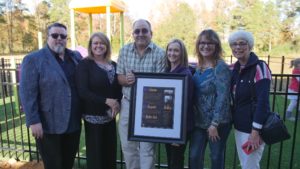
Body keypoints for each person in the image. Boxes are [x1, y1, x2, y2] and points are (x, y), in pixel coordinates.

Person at [19, 22, 82, 169]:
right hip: (48, 124)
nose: (59, 38)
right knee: (54, 165)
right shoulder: (33, 59)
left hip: (73, 123)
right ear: (48, 37)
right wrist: (33, 120)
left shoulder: (75, 57)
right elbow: (27, 92)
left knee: (68, 164)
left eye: (63, 36)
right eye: (55, 35)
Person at [117, 19, 165, 169]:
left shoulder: (160, 53)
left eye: (144, 30)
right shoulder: (124, 51)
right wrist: (127, 79)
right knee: (128, 146)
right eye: (137, 31)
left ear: (151, 33)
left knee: (147, 148)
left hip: (149, 106)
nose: (140, 34)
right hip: (128, 103)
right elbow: (119, 78)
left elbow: (161, 83)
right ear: (133, 33)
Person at [75, 32, 122, 169]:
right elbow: (83, 91)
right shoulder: (84, 65)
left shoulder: (113, 65)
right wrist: (106, 101)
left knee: (109, 153)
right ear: (90, 46)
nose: (98, 46)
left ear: (107, 46)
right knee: (96, 156)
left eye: (102, 43)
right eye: (95, 43)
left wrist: (117, 104)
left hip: (110, 117)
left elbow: (118, 89)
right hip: (93, 117)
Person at [229, 30, 272, 169]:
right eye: (234, 44)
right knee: (246, 164)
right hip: (240, 126)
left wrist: (255, 132)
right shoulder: (235, 69)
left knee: (250, 166)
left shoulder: (260, 67)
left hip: (253, 129)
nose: (238, 47)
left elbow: (263, 102)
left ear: (250, 45)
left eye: (242, 43)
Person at [189, 29, 232, 169]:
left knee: (216, 156)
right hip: (199, 122)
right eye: (202, 42)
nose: (205, 46)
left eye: (209, 43)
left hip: (218, 124)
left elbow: (223, 97)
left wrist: (214, 124)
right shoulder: (198, 67)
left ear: (216, 46)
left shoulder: (220, 67)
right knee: (194, 156)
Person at [164, 39, 194, 169]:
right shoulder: (166, 72)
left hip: (179, 127)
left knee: (176, 161)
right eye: (170, 50)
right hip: (168, 125)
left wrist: (177, 134)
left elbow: (184, 106)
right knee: (171, 159)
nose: (172, 53)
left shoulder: (185, 74)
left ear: (182, 53)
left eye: (176, 50)